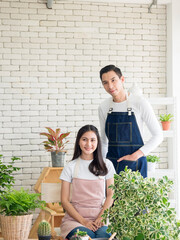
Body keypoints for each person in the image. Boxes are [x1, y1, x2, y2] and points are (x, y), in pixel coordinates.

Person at [98, 64, 163, 178]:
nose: (110, 86)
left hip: (135, 165)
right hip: (112, 165)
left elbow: (158, 135)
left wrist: (136, 155)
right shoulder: (104, 107)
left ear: (122, 79)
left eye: (113, 80)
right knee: (110, 196)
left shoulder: (140, 103)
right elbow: (104, 142)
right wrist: (102, 164)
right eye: (105, 83)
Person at [60, 125, 116, 239]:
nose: (88, 144)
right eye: (84, 139)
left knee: (103, 236)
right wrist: (84, 222)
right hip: (75, 220)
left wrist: (101, 217)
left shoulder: (107, 165)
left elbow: (111, 194)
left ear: (97, 142)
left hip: (100, 218)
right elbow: (64, 201)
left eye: (92, 140)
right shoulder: (70, 167)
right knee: (86, 236)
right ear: (79, 142)